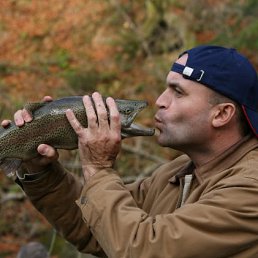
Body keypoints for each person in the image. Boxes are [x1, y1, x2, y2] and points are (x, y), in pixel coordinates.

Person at [2, 45, 258, 258]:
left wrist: (98, 167)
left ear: (222, 114)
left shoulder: (249, 189)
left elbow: (143, 249)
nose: (160, 100)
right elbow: (98, 228)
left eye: (178, 92)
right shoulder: (177, 172)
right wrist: (41, 171)